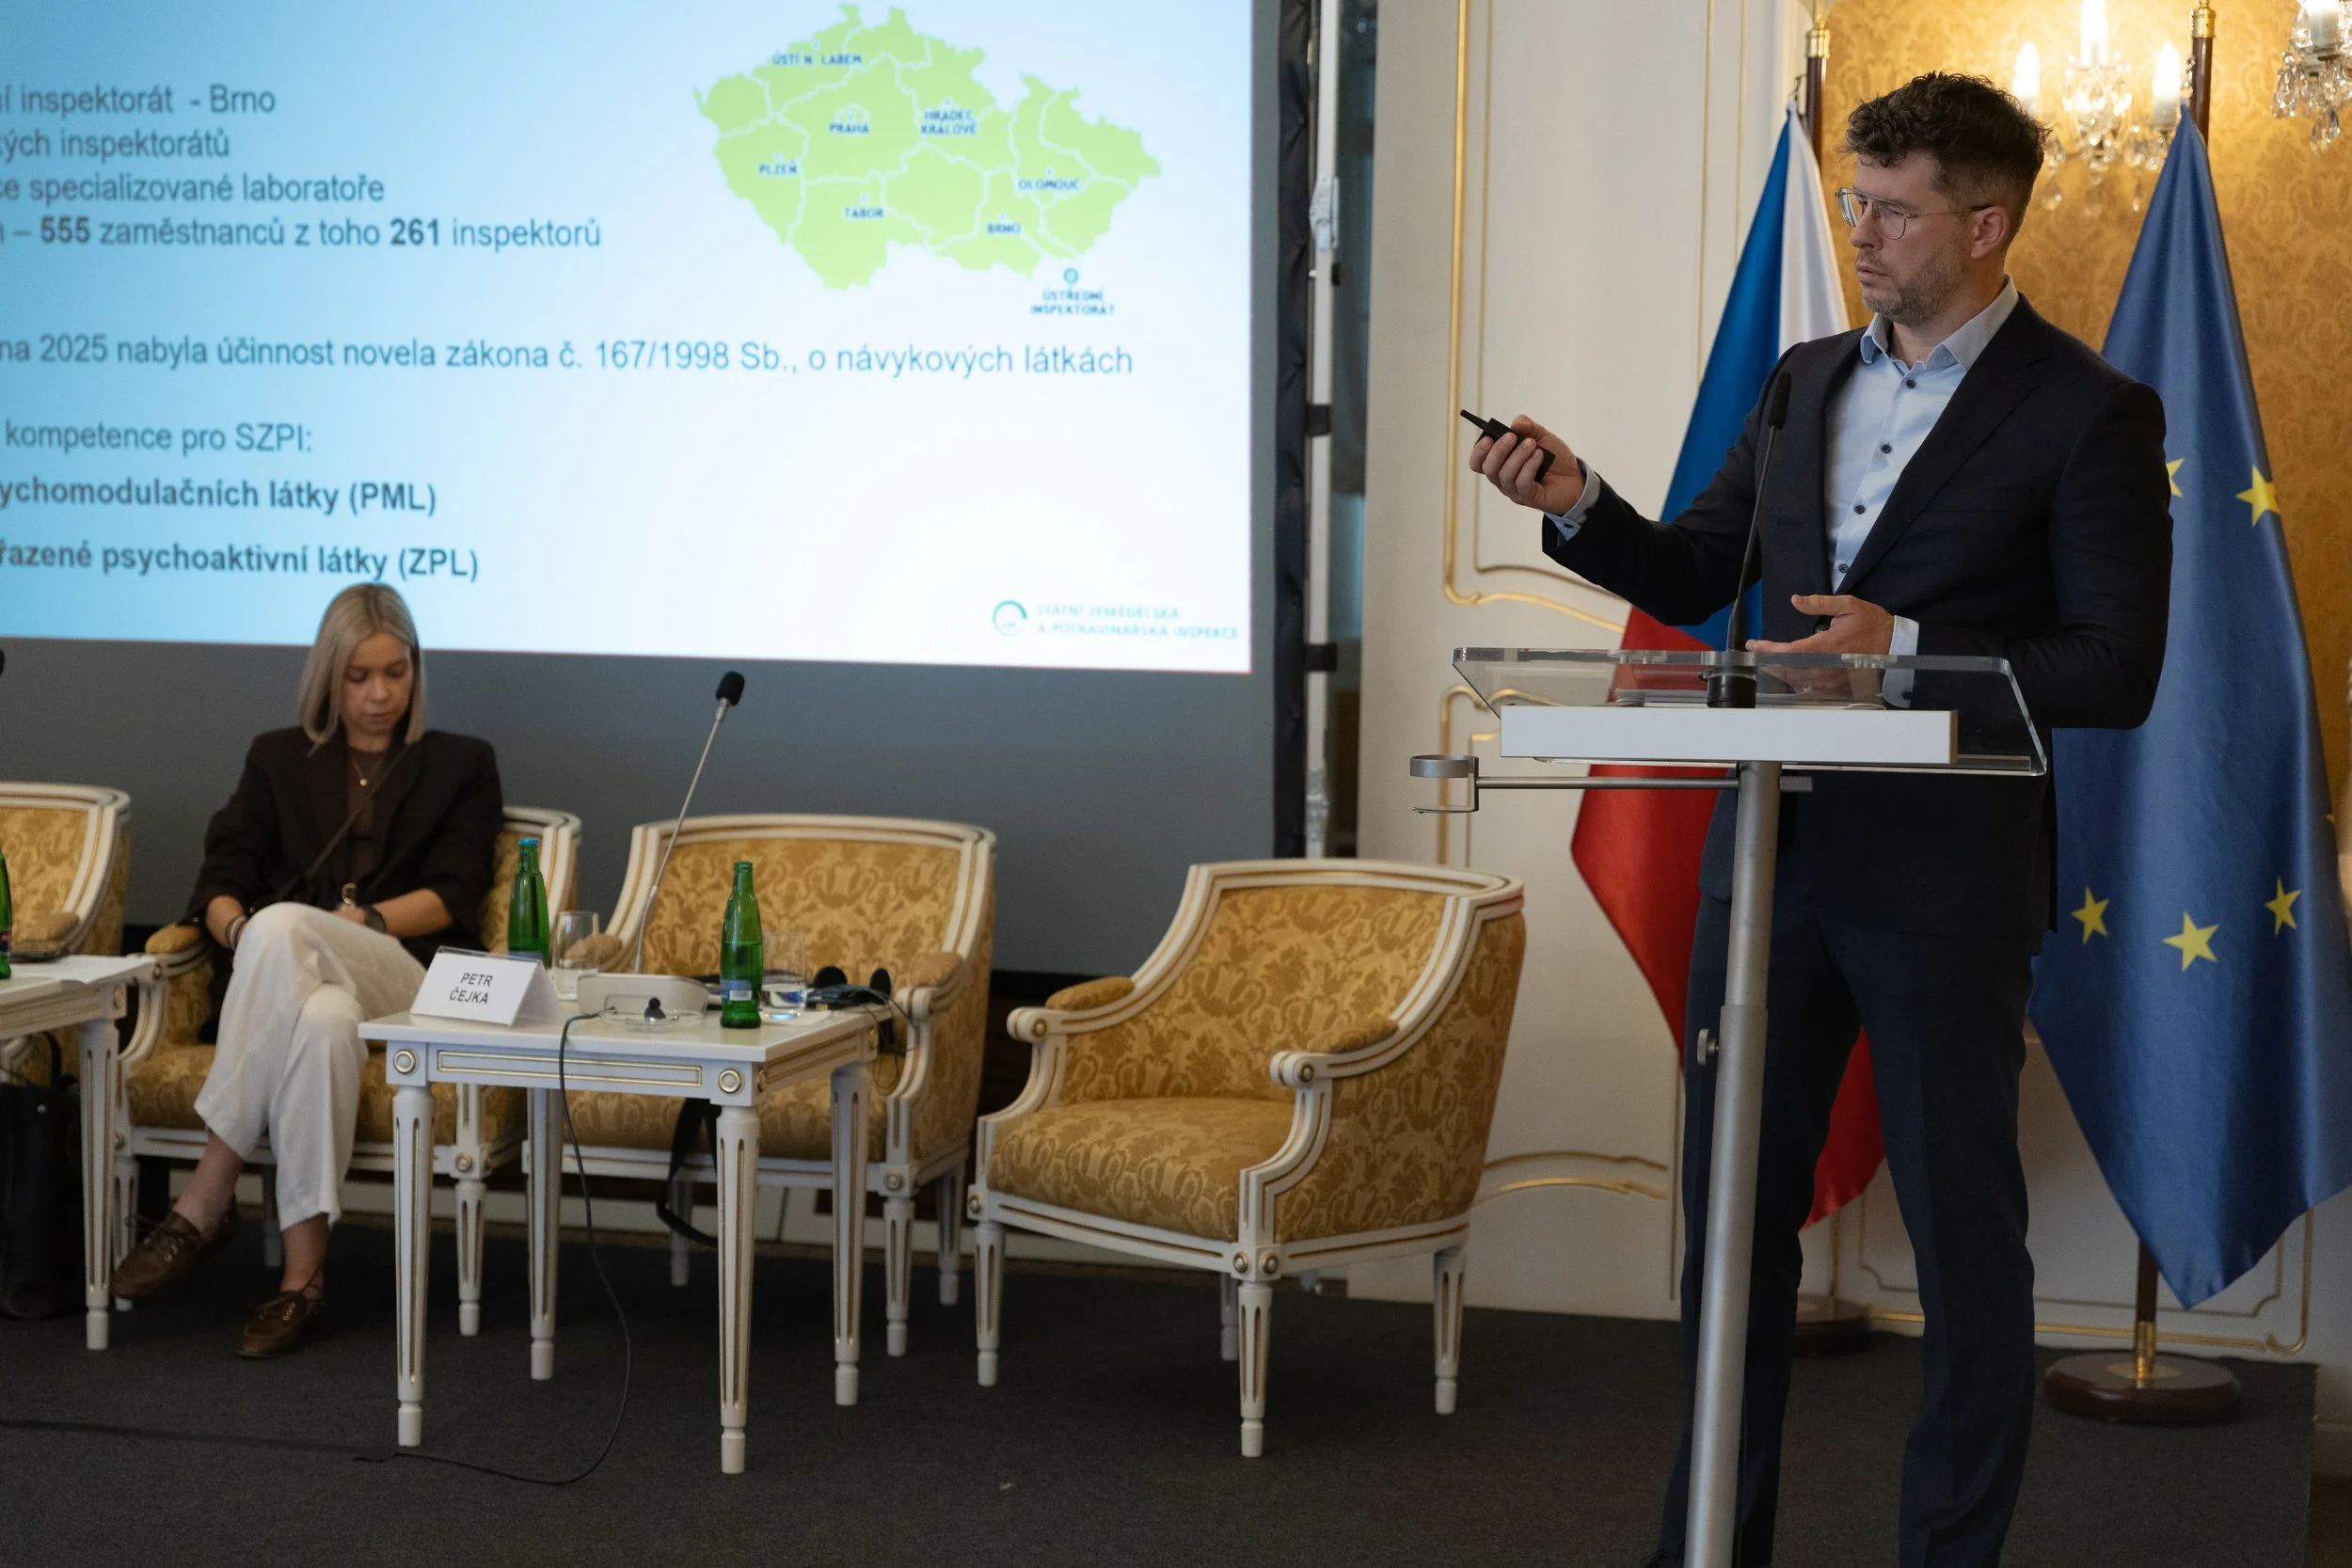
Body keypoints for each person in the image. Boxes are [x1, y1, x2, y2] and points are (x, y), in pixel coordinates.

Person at [1471, 75, 2171, 1568]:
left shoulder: (2087, 411)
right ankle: (1710, 1545)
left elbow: (2118, 667)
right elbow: (1693, 574)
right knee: (1731, 1232)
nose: (1861, 231)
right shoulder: (1800, 382)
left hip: (1946, 885)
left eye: (1896, 210)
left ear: (1985, 225)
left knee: (1965, 1246)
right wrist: (1580, 498)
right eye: (1854, 202)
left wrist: (1902, 646)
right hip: (1770, 866)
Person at [109, 584, 503, 1356]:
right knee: (320, 1015)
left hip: (405, 981)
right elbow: (221, 879)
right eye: (360, 676)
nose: (381, 693)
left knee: (287, 926)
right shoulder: (278, 758)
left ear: (416, 670)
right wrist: (242, 930)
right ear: (329, 676)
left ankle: (208, 1190)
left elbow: (455, 892)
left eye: (396, 672)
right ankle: (303, 1283)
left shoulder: (461, 762)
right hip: (313, 985)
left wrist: (367, 922)